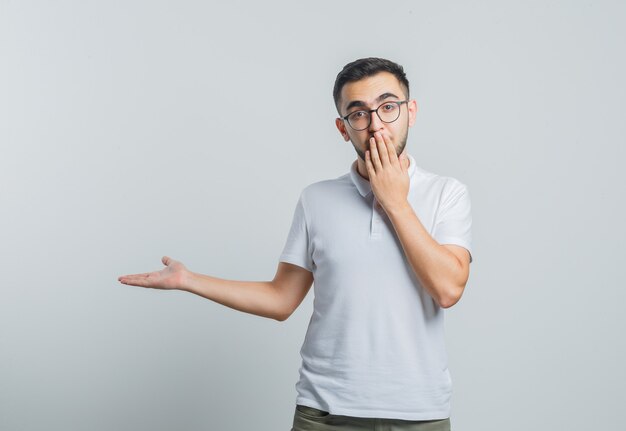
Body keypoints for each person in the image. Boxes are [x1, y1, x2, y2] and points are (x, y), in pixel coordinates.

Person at [118, 57, 473, 431]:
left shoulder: (447, 193)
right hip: (323, 413)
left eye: (388, 107)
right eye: (359, 114)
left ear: (410, 111)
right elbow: (281, 299)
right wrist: (189, 280)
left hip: (418, 413)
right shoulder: (316, 200)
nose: (376, 125)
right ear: (343, 128)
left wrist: (396, 201)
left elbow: (448, 289)